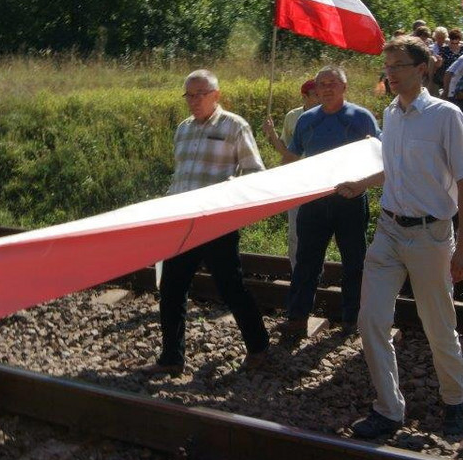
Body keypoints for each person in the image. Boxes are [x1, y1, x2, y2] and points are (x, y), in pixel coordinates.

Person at [336, 36, 463, 439]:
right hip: (387, 231)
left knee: (438, 325)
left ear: (422, 69)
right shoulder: (392, 114)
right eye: (387, 66)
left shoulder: (445, 115)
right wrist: (360, 183)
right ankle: (389, 408)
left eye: (398, 65)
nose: (391, 73)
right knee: (370, 321)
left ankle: (454, 400)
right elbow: (392, 168)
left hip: (430, 235)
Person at [144, 70, 270, 376]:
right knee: (172, 288)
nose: (195, 100)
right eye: (189, 94)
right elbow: (181, 175)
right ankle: (172, 358)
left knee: (231, 288)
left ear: (216, 95)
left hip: (216, 223)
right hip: (181, 222)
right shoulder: (183, 129)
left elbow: (255, 171)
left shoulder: (235, 125)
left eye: (201, 94)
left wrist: (228, 190)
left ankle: (259, 347)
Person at [274, 66, 380, 334]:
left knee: (354, 261)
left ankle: (352, 321)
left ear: (344, 87)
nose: (327, 88)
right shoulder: (306, 120)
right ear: (316, 90)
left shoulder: (361, 117)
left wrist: (361, 184)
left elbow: (379, 154)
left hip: (350, 198)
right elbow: (294, 157)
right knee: (306, 259)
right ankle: (297, 318)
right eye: (322, 84)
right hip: (315, 199)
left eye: (333, 83)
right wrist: (273, 143)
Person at [264, 79, 319, 269]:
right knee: (295, 232)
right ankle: (298, 273)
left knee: (319, 232)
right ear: (305, 97)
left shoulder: (329, 114)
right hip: (297, 181)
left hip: (322, 182)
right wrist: (271, 134)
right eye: (316, 95)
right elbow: (286, 151)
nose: (322, 98)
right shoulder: (293, 116)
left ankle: (317, 271)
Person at [435, 29, 463, 98]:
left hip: (460, 75)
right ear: (449, 40)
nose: (454, 45)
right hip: (447, 75)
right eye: (452, 43)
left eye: (456, 43)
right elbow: (439, 65)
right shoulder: (444, 49)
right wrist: (439, 61)